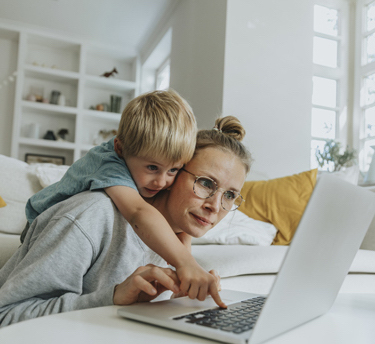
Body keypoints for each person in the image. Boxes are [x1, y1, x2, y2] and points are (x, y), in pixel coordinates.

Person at [0, 116, 252, 327]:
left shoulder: (176, 238)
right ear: (172, 170)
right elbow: (7, 315)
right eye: (206, 183)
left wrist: (185, 300)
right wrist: (113, 297)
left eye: (229, 195)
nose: (215, 206)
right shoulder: (91, 216)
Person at [21, 89, 221, 305]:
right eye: (152, 167)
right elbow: (138, 212)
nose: (162, 182)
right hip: (42, 224)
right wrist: (185, 263)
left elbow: (180, 228)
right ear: (120, 149)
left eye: (173, 170)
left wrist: (186, 266)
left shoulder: (147, 167)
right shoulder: (109, 163)